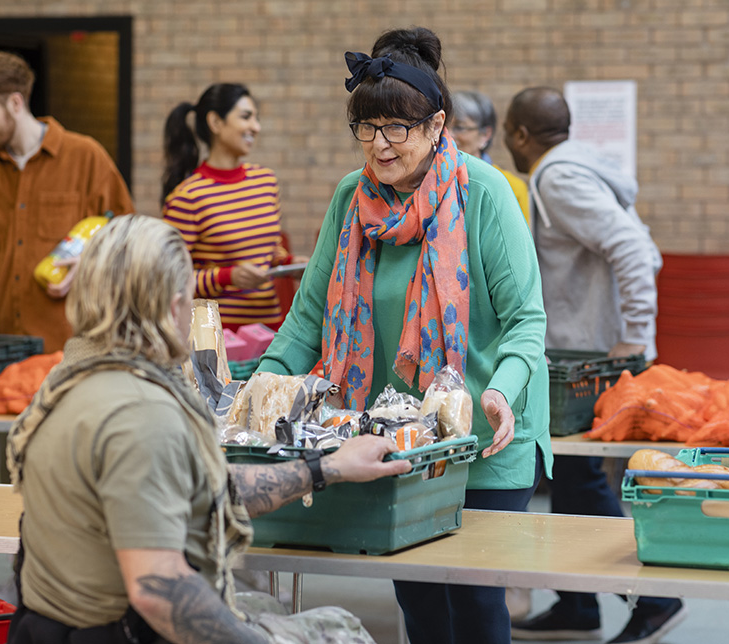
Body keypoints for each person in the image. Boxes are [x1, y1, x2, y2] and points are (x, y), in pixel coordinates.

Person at [256, 27, 552, 644]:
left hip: (483, 437)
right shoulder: (350, 198)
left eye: (398, 128)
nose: (381, 145)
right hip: (398, 438)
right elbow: (310, 317)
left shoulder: (485, 194)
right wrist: (260, 383)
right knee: (418, 604)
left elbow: (526, 320)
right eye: (367, 128)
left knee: (475, 610)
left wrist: (500, 391)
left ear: (437, 124)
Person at [6, 214, 407, 643]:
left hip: (51, 624)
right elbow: (159, 591)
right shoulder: (140, 413)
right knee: (342, 631)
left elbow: (200, 485)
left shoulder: (69, 380)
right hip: (115, 631)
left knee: (270, 606)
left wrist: (327, 467)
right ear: (174, 306)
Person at [503, 87, 684, 644]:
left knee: (574, 478)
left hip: (590, 360)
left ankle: (654, 599)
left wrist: (633, 341)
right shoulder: (576, 168)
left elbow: (633, 248)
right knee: (571, 479)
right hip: (582, 352)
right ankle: (578, 603)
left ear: (519, 136)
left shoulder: (557, 178)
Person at [0, 51, 134, 354]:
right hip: (3, 348)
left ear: (15, 103)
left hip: (73, 349)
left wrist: (90, 265)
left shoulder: (86, 157)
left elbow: (129, 237)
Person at [161, 84, 304, 332]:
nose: (256, 127)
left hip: (269, 331)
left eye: (256, 118)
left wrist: (289, 264)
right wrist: (227, 277)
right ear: (216, 122)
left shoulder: (266, 181)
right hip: (214, 338)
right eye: (246, 117)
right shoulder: (188, 197)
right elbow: (168, 279)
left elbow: (268, 253)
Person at [448, 89, 529, 224]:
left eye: (459, 127)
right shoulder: (428, 181)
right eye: (444, 126)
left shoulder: (512, 187)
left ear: (485, 134)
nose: (449, 135)